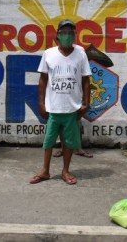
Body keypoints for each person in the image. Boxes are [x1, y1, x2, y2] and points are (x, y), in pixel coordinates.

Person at [30, 19, 91, 185]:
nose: (68, 36)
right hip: (53, 108)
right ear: (57, 35)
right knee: (49, 141)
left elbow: (86, 79)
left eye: (71, 32)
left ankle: (65, 171)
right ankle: (45, 171)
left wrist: (86, 102)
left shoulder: (81, 53)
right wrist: (41, 103)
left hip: (72, 108)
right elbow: (43, 79)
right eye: (64, 32)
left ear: (75, 35)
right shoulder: (49, 53)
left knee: (69, 143)